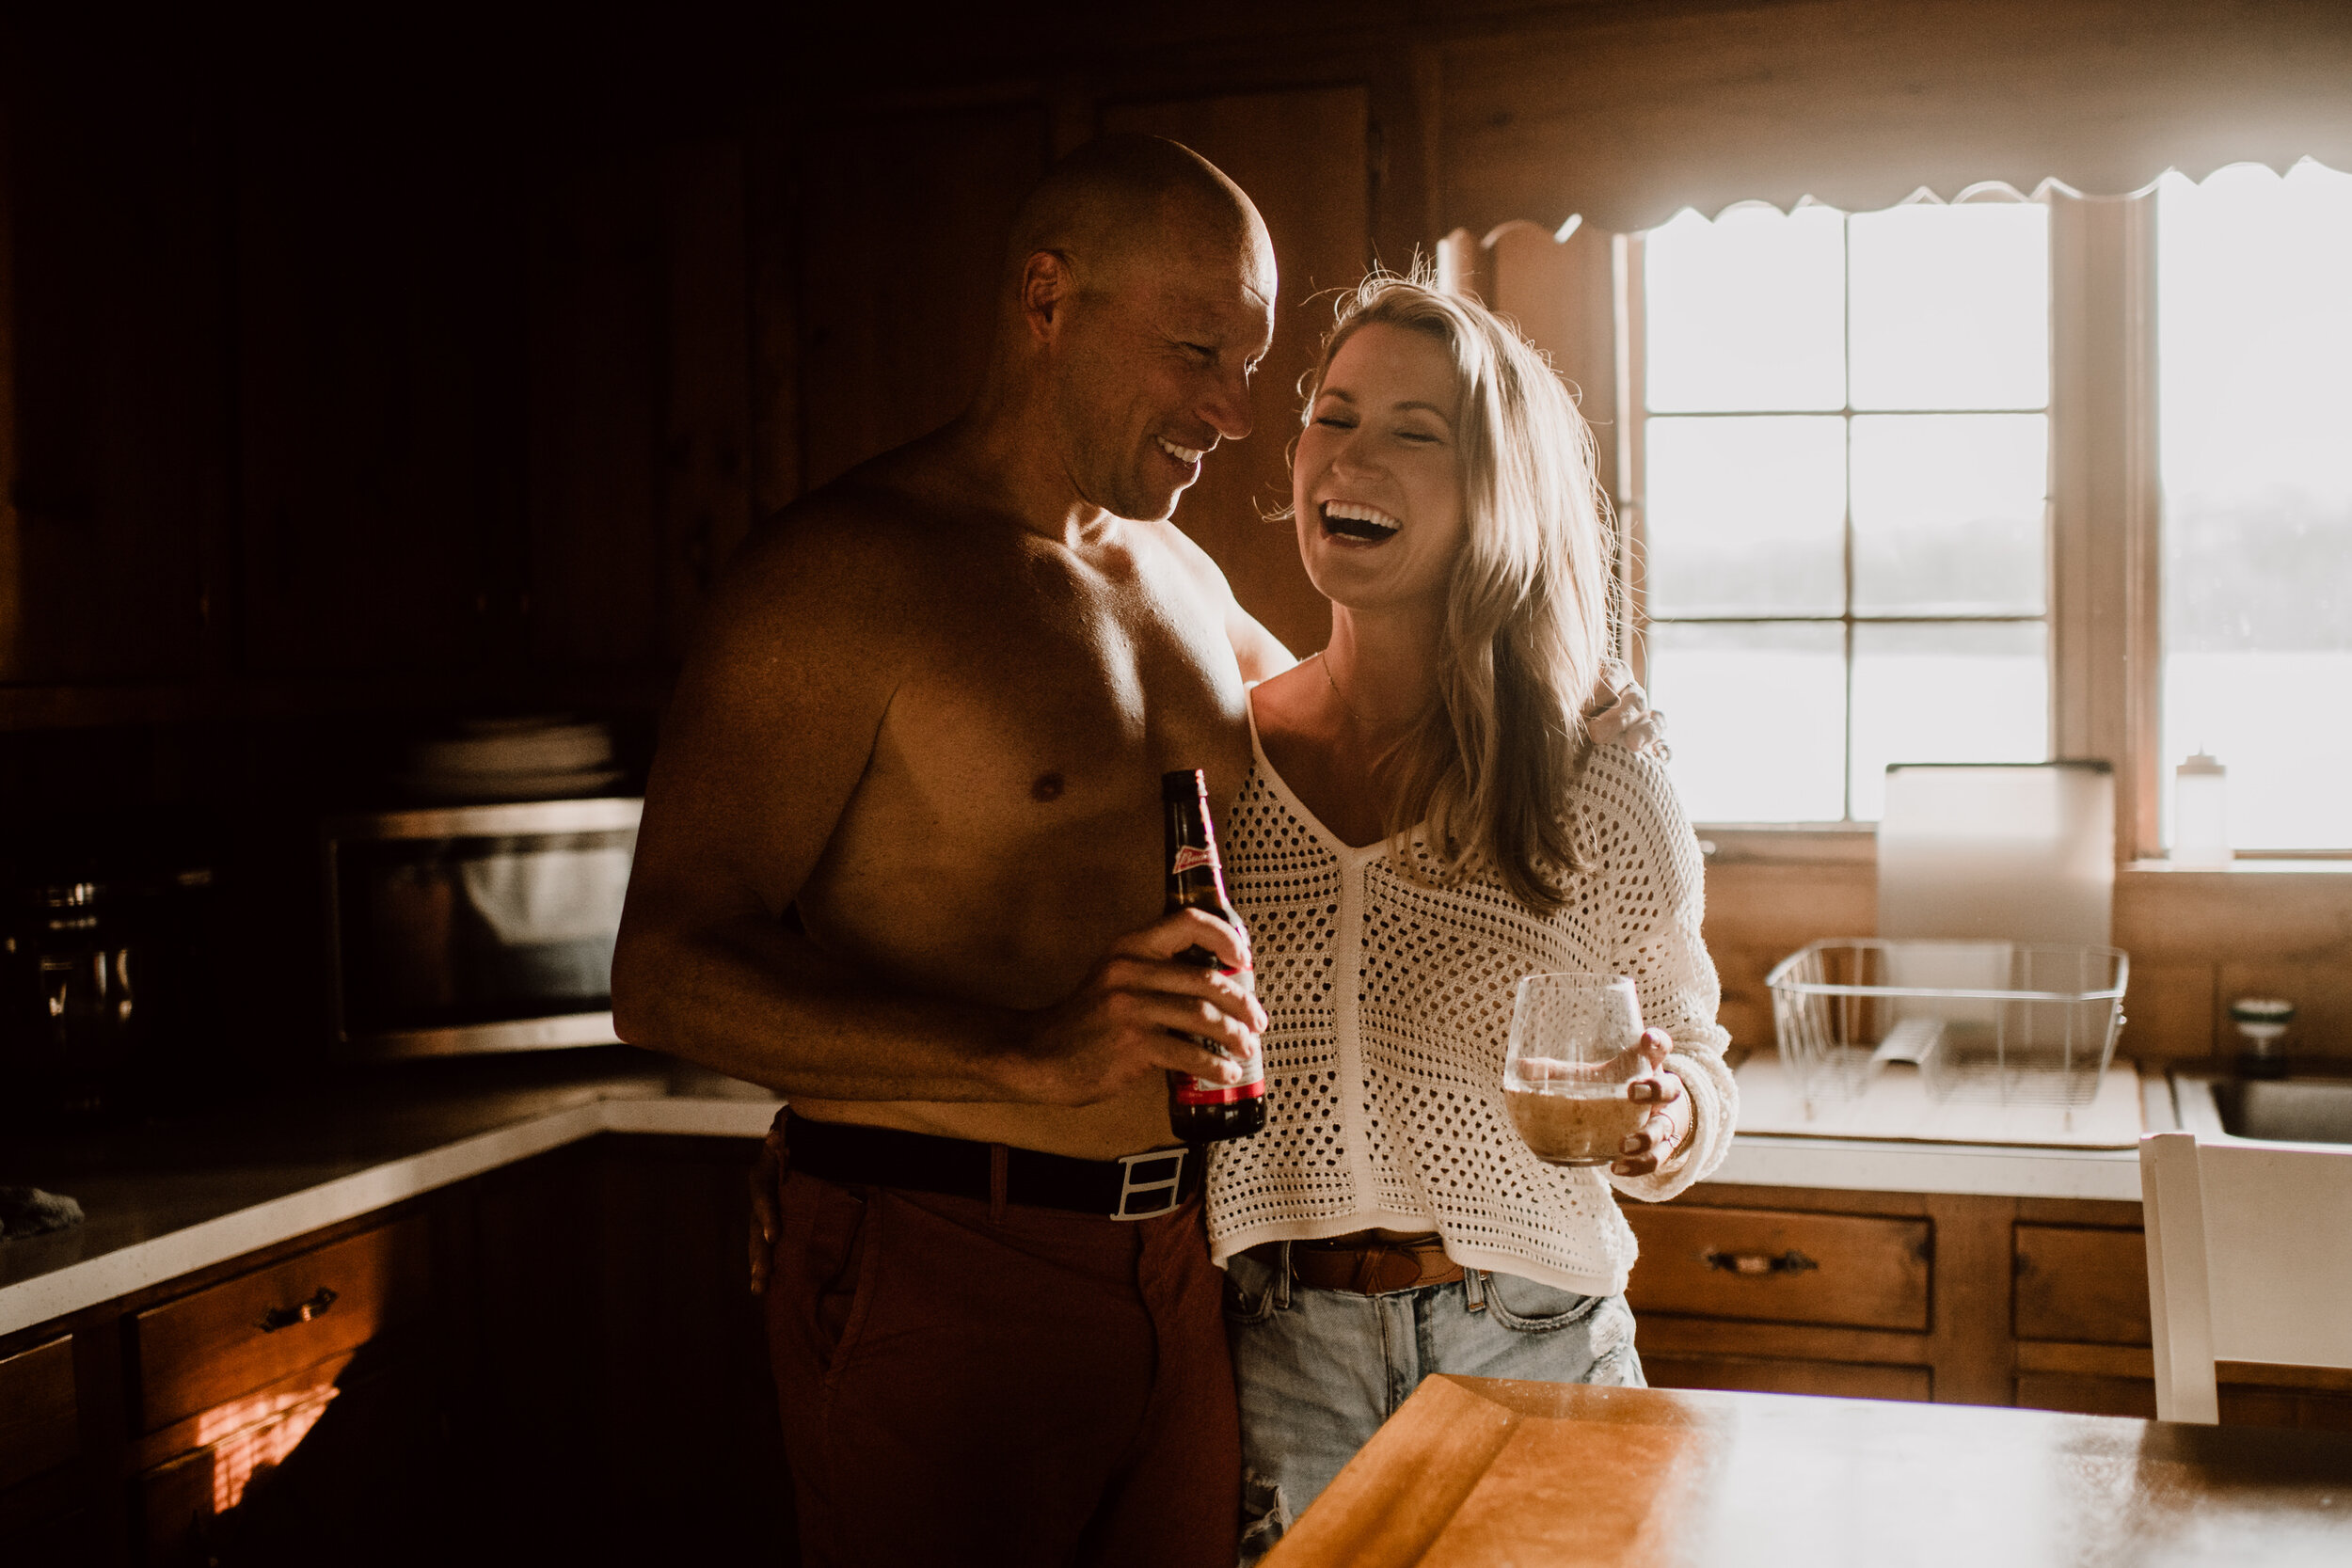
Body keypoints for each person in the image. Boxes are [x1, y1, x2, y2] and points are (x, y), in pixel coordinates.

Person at [611, 135, 1294, 1568]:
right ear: (1047, 299)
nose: (1233, 412)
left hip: (1185, 1265)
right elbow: (663, 977)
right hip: (939, 1258)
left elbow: (1369, 769)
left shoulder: (1188, 580)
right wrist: (1024, 1057)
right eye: (1195, 353)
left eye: (1250, 364)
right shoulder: (843, 577)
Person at [1206, 274, 1732, 1560]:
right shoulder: (1217, 771)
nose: (1351, 455)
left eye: (1413, 429)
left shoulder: (1599, 775)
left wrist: (1667, 1122)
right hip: (1281, 1349)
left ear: (1497, 486)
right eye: (1331, 416)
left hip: (1536, 1336)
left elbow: (1698, 1057)